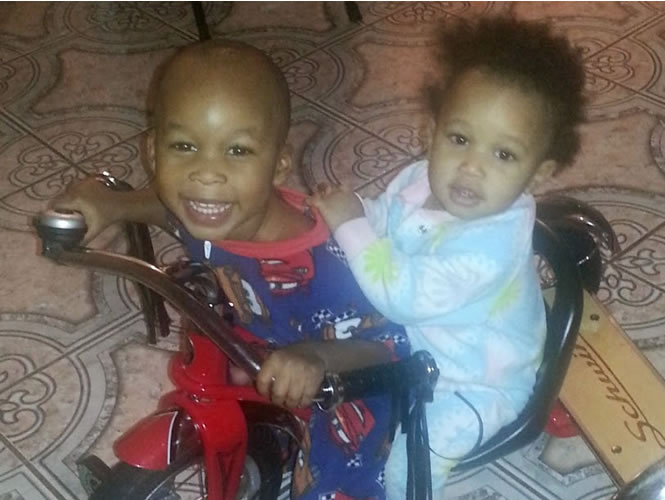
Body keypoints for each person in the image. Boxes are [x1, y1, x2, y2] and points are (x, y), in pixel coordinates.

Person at [53, 39, 410, 500]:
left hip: (343, 376)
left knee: (334, 476)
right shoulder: (213, 207)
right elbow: (169, 210)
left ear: (278, 166)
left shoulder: (325, 267)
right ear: (153, 153)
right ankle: (265, 439)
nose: (207, 174)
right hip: (259, 344)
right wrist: (112, 204)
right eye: (185, 146)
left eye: (237, 151)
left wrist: (317, 358)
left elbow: (391, 345)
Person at [308, 16, 586, 499]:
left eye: (504, 155)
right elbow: (388, 217)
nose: (471, 167)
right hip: (420, 346)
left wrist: (349, 227)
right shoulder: (420, 178)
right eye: (459, 139)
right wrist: (357, 214)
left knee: (409, 461)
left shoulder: (489, 247)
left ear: (538, 174)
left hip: (474, 382)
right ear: (432, 131)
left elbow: (402, 295)